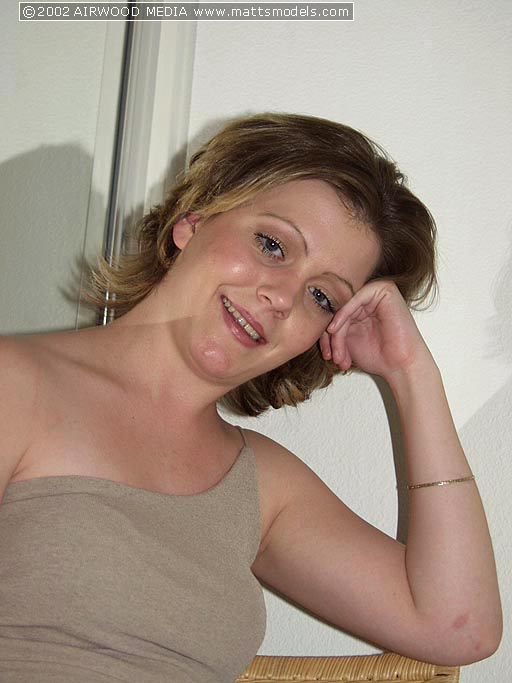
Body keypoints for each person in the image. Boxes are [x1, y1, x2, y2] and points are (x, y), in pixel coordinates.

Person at [0, 113, 502, 682]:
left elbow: (458, 628)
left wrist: (412, 375)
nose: (283, 297)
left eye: (322, 296)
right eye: (272, 245)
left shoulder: (261, 484)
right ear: (192, 221)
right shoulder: (15, 384)